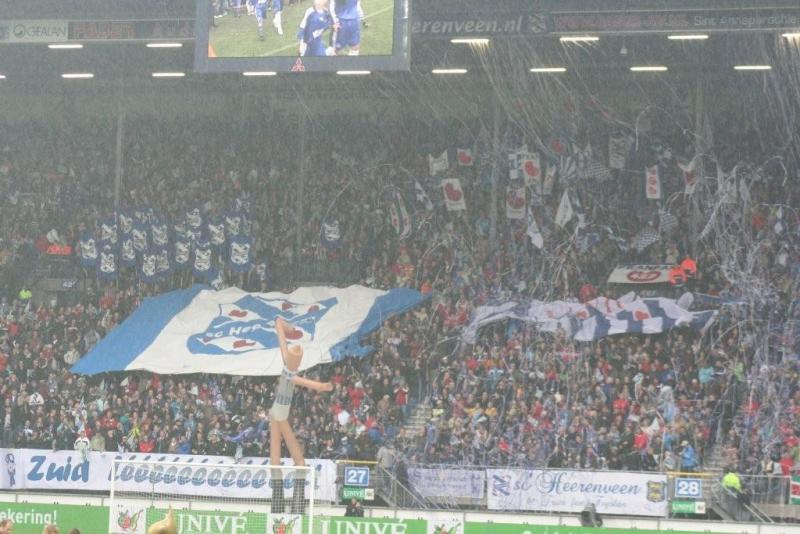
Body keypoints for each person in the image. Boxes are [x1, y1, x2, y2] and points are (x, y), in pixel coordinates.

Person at [269, 317, 333, 513]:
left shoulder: (286, 365)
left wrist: (283, 326)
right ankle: (292, 504)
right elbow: (305, 382)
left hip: (277, 413)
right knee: (297, 461)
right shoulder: (289, 373)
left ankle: (278, 505)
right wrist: (322, 386)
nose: (298, 363)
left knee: (277, 460)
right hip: (279, 415)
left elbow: (280, 335)